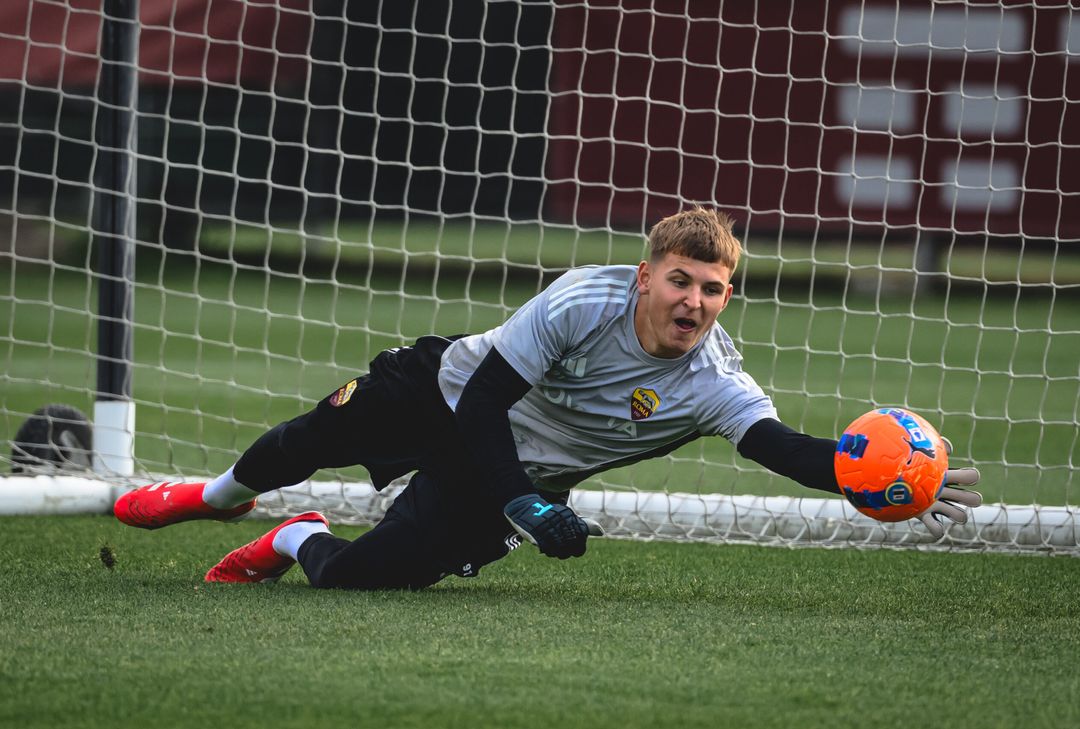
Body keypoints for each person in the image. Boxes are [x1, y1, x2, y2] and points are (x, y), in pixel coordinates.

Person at [114, 208, 982, 589]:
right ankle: (216, 498)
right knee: (312, 436)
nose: (695, 302)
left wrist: (875, 476)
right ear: (645, 277)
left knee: (362, 579)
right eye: (680, 281)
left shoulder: (716, 380)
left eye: (713, 290)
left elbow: (780, 448)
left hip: (514, 469)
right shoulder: (580, 301)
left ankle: (295, 534)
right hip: (451, 391)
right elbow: (485, 402)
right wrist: (525, 504)